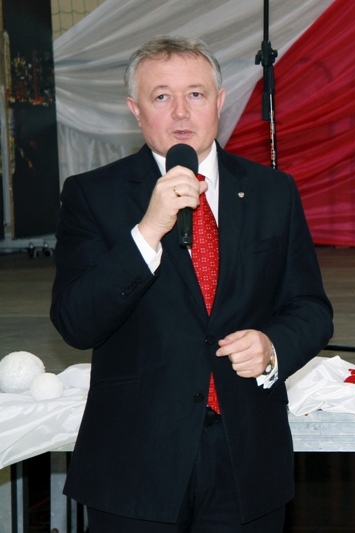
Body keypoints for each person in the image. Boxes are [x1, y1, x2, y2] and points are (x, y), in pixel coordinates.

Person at [50, 35, 333, 531]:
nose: (181, 111)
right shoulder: (92, 195)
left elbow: (310, 308)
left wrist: (272, 346)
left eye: (196, 94)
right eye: (161, 96)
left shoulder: (272, 191)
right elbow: (76, 322)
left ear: (220, 102)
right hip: (135, 464)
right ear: (135, 110)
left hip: (246, 459)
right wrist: (147, 232)